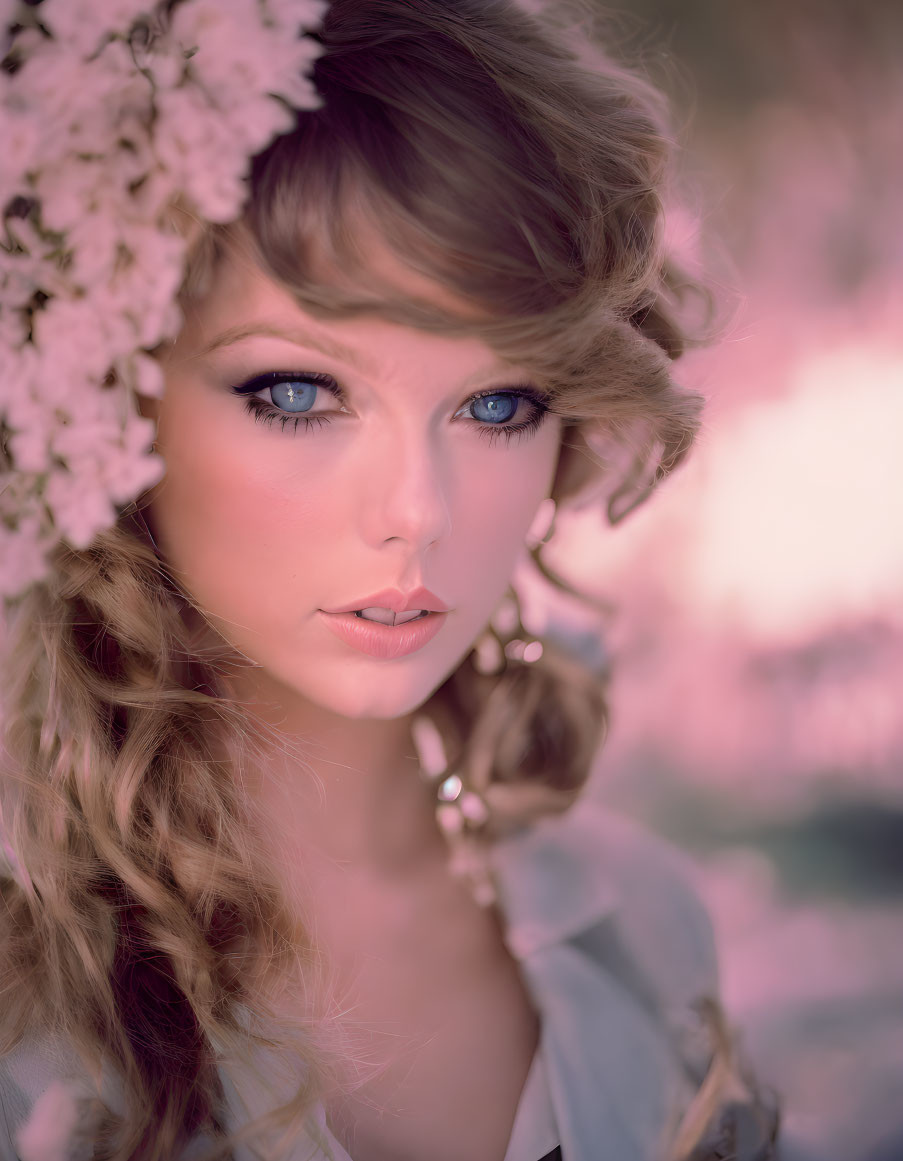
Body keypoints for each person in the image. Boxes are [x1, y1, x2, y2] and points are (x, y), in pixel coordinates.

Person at [0, 0, 780, 1158]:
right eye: (300, 393)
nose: (419, 509)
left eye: (498, 404)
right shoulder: (26, 1007)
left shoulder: (641, 931)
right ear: (107, 392)